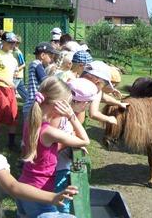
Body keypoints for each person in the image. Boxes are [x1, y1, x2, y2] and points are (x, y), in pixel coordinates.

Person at [17, 77, 90, 217]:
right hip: (39, 194)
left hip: (24, 188)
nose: (69, 107)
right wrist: (71, 116)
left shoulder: (30, 122)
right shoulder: (49, 132)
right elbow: (85, 140)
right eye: (67, 104)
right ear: (58, 105)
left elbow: (44, 151)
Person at [54, 77, 98, 214]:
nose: (88, 106)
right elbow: (51, 148)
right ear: (81, 102)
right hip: (56, 170)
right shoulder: (58, 117)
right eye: (89, 102)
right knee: (61, 202)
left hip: (61, 166)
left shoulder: (65, 115)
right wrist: (72, 143)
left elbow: (71, 134)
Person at [0, 32, 19, 150]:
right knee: (1, 116)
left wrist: (12, 81)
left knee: (13, 115)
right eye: (10, 42)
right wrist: (5, 80)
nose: (12, 45)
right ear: (4, 42)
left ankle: (11, 144)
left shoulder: (13, 59)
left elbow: (15, 74)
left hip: (10, 90)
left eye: (14, 43)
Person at [80, 61, 128, 125]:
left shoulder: (75, 81)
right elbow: (93, 114)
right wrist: (109, 119)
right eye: (104, 85)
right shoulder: (94, 90)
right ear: (98, 82)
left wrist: (119, 103)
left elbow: (103, 97)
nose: (102, 89)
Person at [23, 42, 57, 122]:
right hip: (33, 104)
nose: (51, 60)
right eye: (50, 56)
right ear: (42, 55)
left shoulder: (36, 65)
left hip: (31, 105)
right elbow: (45, 81)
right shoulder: (37, 64)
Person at [13, 36, 27, 101]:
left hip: (17, 76)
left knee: (12, 90)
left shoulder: (18, 53)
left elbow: (23, 64)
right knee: (22, 91)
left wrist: (17, 69)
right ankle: (30, 102)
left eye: (14, 43)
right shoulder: (13, 51)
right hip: (15, 75)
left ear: (17, 44)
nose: (12, 44)